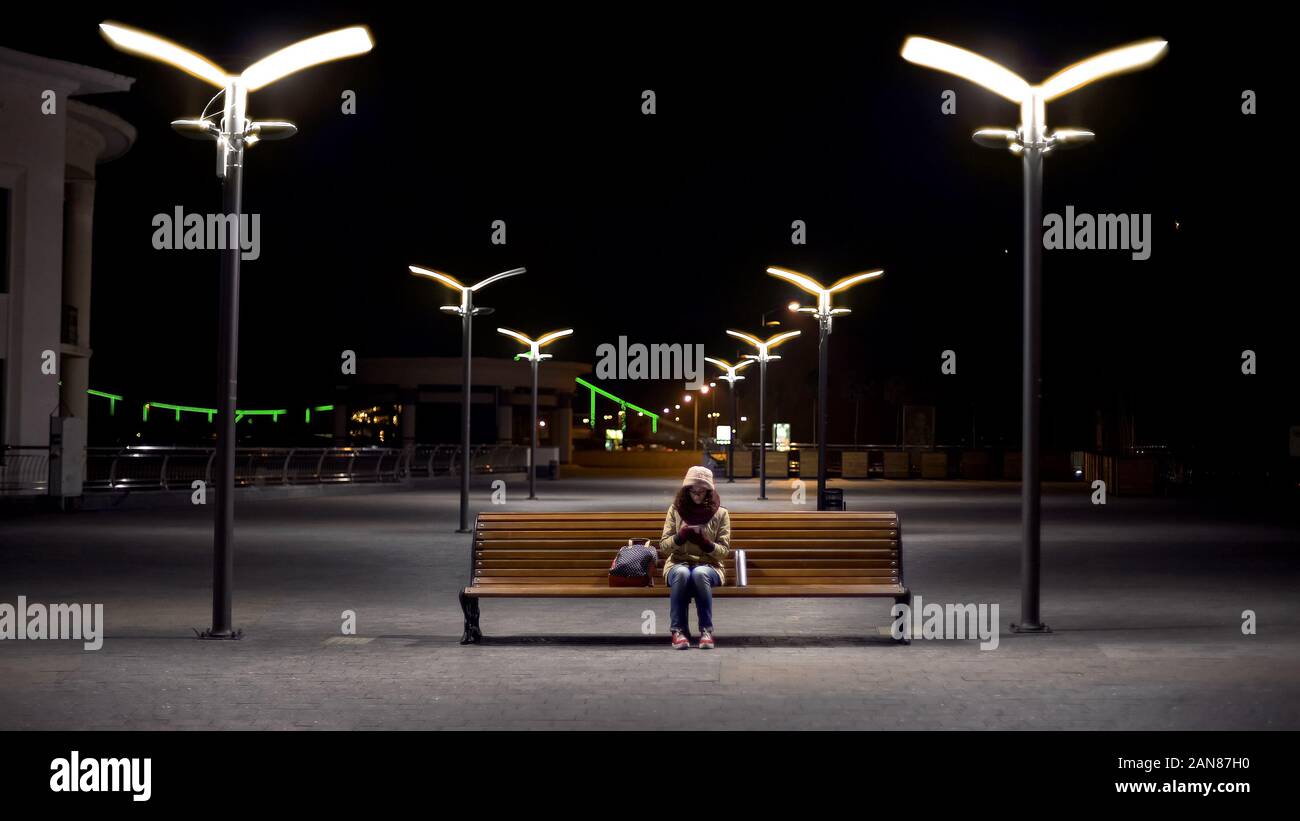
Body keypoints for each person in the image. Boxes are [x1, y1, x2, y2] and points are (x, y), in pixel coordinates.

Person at [658, 466, 731, 649]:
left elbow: (724, 551)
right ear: (686, 491)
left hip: (709, 565)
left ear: (709, 491)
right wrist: (680, 537)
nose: (697, 496)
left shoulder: (721, 513)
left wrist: (706, 544)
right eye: (693, 491)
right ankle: (678, 631)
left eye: (702, 492)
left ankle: (706, 631)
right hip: (678, 563)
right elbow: (664, 547)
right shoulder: (676, 510)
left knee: (699, 573)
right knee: (682, 573)